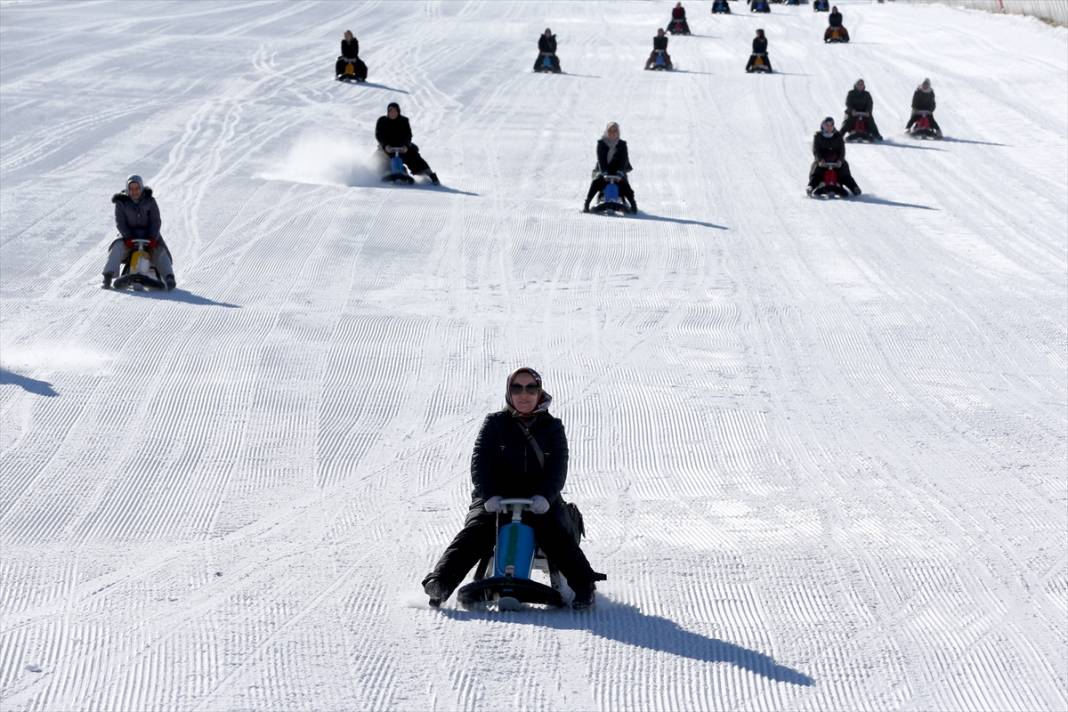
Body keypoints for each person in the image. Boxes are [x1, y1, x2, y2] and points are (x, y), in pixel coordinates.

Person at [421, 368, 602, 610]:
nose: (524, 394)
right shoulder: (495, 423)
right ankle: (440, 583)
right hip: (496, 497)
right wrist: (488, 495)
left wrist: (546, 497)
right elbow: (480, 461)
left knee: (553, 532)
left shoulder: (553, 427)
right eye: (517, 388)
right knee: (477, 531)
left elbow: (558, 467)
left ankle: (584, 586)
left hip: (538, 498)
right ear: (509, 392)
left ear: (539, 392)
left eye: (530, 388)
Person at [102, 175, 175, 290]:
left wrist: (152, 237)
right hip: (128, 238)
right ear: (127, 189)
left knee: (160, 250)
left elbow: (155, 221)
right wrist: (128, 237)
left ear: (141, 188)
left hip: (149, 237)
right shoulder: (121, 202)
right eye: (131, 189)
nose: (134, 191)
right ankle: (108, 276)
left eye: (137, 188)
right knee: (117, 246)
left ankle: (169, 277)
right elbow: (120, 222)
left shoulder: (150, 201)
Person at [374, 102, 439, 184]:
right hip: (387, 147)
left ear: (398, 111)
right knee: (379, 158)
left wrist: (406, 146)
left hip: (402, 147)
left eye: (395, 111)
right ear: (388, 112)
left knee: (413, 155)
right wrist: (385, 146)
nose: (392, 113)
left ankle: (427, 174)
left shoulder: (404, 121)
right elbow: (379, 134)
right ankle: (386, 173)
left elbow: (408, 135)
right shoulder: (382, 120)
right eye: (390, 111)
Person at [584, 122, 637, 213]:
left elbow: (624, 158)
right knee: (597, 181)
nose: (612, 133)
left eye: (615, 131)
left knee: (624, 183)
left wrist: (620, 172)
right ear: (607, 131)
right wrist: (604, 172)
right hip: (603, 169)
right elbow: (601, 158)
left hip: (618, 170)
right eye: (610, 131)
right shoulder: (601, 143)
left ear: (618, 132)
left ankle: (633, 204)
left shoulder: (622, 144)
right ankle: (587, 203)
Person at [807, 116, 861, 195]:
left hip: (836, 160)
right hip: (823, 160)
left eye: (831, 125)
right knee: (817, 171)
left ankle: (854, 188)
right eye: (827, 125)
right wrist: (820, 160)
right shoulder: (818, 136)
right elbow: (816, 150)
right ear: (823, 125)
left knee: (844, 171)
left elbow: (842, 151)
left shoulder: (838, 136)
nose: (829, 127)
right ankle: (811, 187)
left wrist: (840, 160)